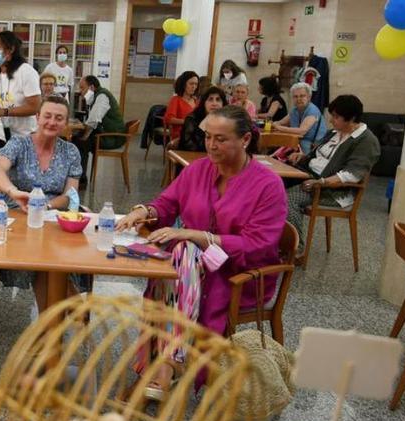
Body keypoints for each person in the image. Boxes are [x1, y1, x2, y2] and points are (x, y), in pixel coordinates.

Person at [115, 106, 285, 400]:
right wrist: (144, 211)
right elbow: (167, 205)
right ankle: (167, 364)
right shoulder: (197, 170)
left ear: (245, 140)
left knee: (179, 257)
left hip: (237, 274)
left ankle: (164, 366)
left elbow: (258, 245)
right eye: (207, 137)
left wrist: (197, 236)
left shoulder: (268, 185)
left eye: (220, 139)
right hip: (189, 269)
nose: (211, 145)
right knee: (179, 259)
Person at [0, 96, 85, 306]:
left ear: (66, 123)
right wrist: (13, 191)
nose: (52, 122)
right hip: (18, 213)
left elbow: (71, 195)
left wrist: (45, 206)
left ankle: (50, 319)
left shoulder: (71, 152)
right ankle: (57, 310)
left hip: (53, 214)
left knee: (52, 251)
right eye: (47, 116)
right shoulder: (19, 143)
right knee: (45, 256)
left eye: (59, 118)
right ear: (38, 117)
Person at [284, 94, 381, 246]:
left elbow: (351, 175)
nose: (331, 120)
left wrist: (321, 182)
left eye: (336, 117)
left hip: (332, 191)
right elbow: (318, 155)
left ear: (351, 118)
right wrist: (302, 157)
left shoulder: (366, 141)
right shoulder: (334, 133)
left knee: (286, 199)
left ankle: (295, 248)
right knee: (271, 187)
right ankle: (272, 239)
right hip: (309, 176)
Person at [0, 30, 41, 139]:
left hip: (24, 136)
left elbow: (35, 107)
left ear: (10, 49)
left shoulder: (26, 71)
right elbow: (0, 103)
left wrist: (4, 112)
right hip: (2, 135)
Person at [72, 75, 125, 184]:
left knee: (80, 143)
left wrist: (84, 136)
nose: (80, 91)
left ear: (91, 87)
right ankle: (77, 176)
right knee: (78, 139)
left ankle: (81, 179)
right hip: (107, 133)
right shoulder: (97, 96)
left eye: (82, 88)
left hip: (112, 138)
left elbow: (93, 120)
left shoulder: (102, 96)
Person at [175, 86, 228, 152]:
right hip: (192, 157)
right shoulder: (192, 119)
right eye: (210, 99)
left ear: (223, 104)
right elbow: (188, 145)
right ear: (204, 103)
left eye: (218, 100)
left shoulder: (227, 121)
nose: (214, 103)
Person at [277, 82, 326, 153]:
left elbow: (301, 132)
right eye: (295, 96)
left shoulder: (312, 110)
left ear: (309, 97)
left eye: (302, 96)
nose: (298, 99)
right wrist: (275, 124)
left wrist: (279, 128)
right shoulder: (295, 110)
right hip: (297, 143)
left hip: (313, 146)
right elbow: (281, 122)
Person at [163, 71, 200, 142]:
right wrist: (187, 122)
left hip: (195, 135)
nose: (194, 87)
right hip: (180, 136)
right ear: (184, 84)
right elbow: (168, 119)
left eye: (196, 84)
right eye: (191, 84)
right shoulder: (176, 100)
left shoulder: (196, 101)